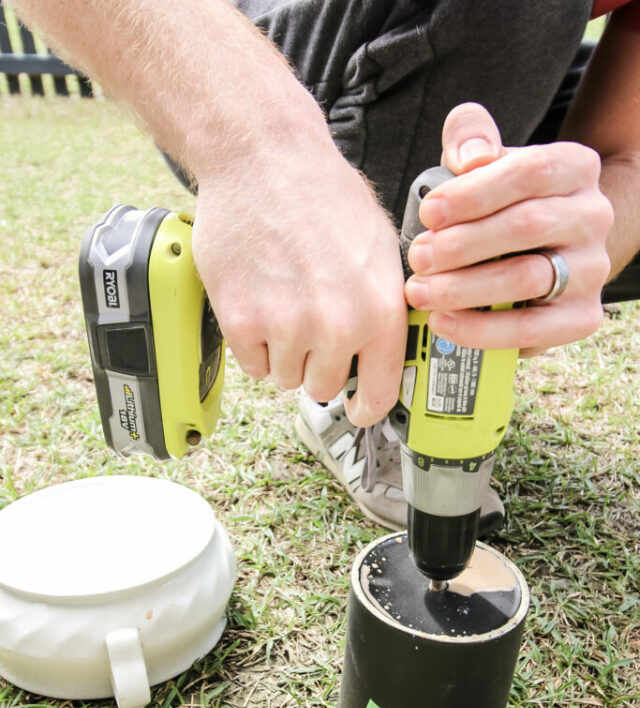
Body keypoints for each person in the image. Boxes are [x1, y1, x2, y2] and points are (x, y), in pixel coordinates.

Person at [11, 0, 640, 529]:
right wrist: (261, 151)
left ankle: (394, 350)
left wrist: (568, 240)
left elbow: (626, 155)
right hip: (241, 61)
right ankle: (350, 392)